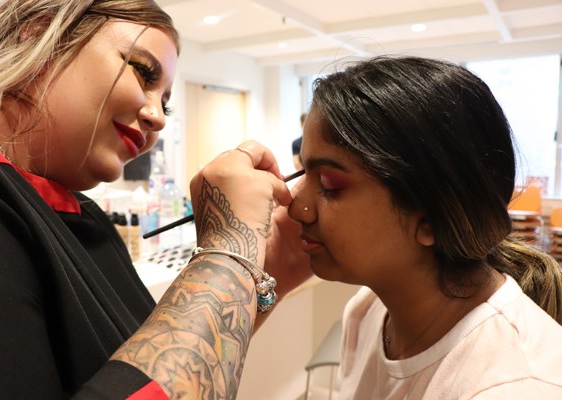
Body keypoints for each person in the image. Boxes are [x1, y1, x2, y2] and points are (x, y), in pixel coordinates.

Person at [0, 1, 307, 398]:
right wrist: (228, 253)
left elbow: (155, 361)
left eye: (166, 102)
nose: (159, 117)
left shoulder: (84, 218)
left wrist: (265, 270)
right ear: (41, 35)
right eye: (143, 72)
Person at [197, 56, 562, 399]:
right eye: (302, 174)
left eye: (330, 184)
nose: (296, 207)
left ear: (433, 216)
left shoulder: (517, 386)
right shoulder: (369, 310)